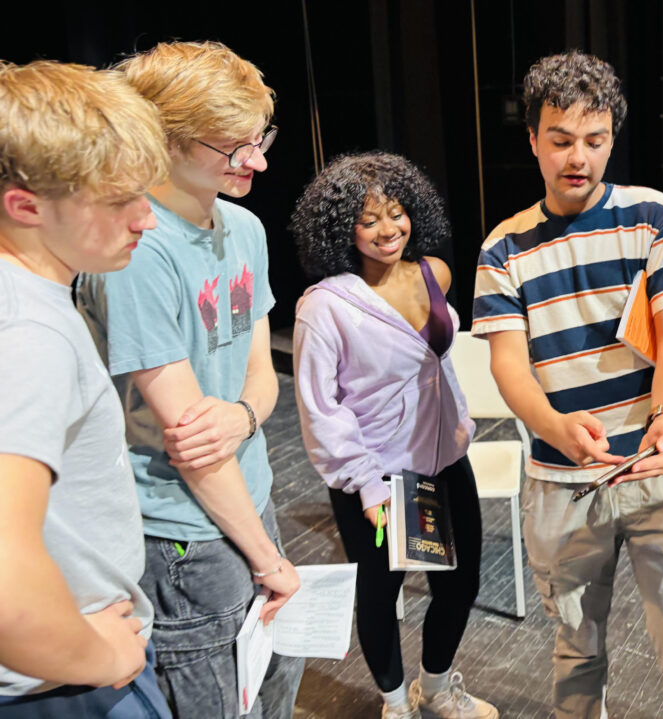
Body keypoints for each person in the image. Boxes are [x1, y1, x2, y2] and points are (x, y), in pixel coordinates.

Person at [472, 50, 663, 719]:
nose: (576, 157)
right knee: (576, 652)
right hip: (561, 481)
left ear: (612, 135)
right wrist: (554, 426)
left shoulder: (654, 217)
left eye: (594, 139)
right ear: (532, 140)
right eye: (558, 141)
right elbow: (507, 362)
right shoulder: (503, 248)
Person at [76, 41, 304, 718]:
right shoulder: (137, 253)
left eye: (259, 138)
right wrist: (270, 562)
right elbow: (187, 440)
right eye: (232, 147)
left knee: (275, 680)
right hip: (180, 529)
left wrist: (241, 415)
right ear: (162, 141)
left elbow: (261, 375)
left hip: (249, 494)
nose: (257, 161)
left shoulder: (245, 227)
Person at [291, 152, 498, 719]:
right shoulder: (326, 305)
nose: (388, 230)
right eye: (369, 220)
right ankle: (392, 703)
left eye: (397, 212)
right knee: (382, 593)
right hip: (376, 474)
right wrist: (364, 484)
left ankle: (432, 689)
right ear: (341, 229)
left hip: (444, 457)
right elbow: (319, 406)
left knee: (460, 583)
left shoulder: (433, 272)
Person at [0, 60, 171, 717]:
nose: (146, 220)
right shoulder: (27, 334)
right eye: (117, 200)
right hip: (62, 685)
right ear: (26, 206)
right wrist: (102, 657)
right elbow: (9, 587)